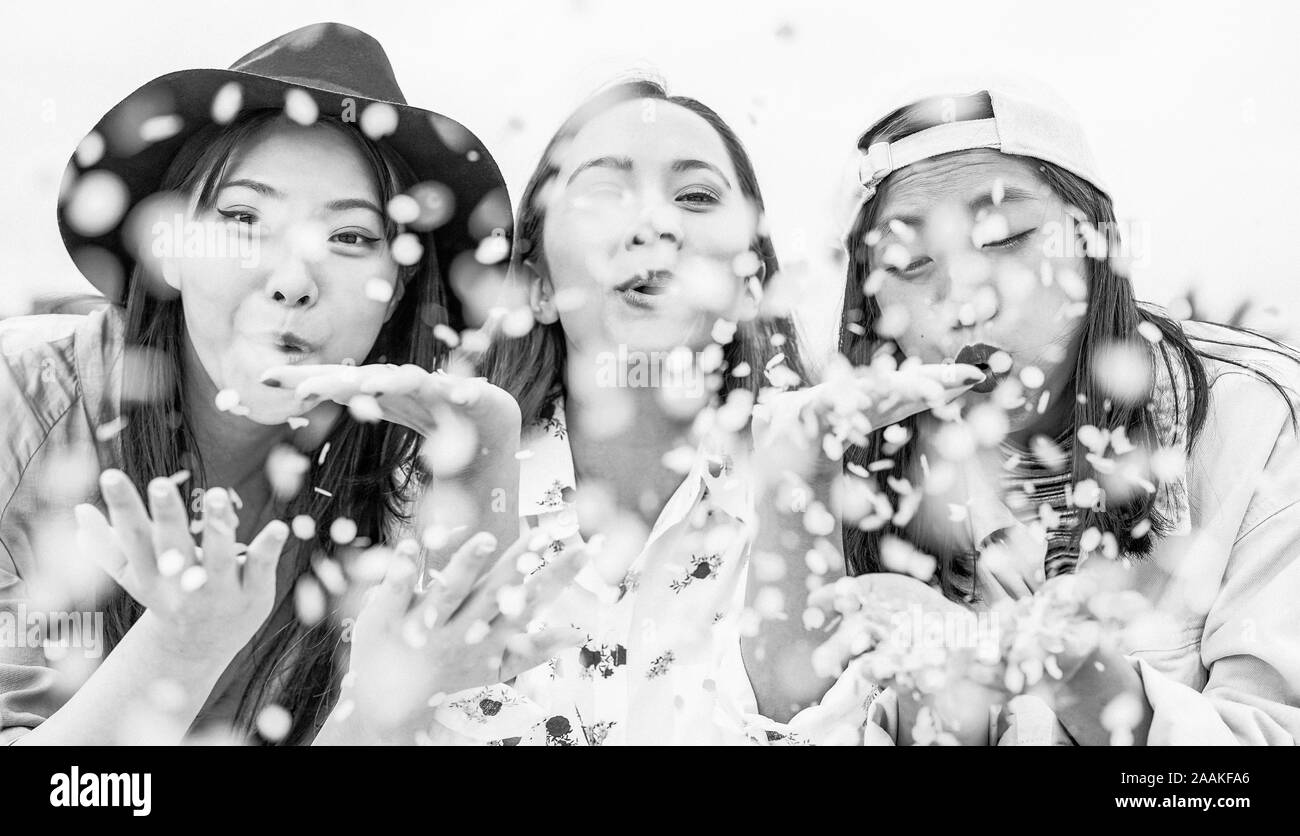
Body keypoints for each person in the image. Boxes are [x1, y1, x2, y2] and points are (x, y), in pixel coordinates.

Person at [0, 22, 567, 746]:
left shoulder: (399, 471)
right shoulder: (20, 402)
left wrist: (488, 451)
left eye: (352, 238)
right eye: (243, 218)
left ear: (395, 290)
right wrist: (181, 645)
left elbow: (472, 715)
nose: (294, 281)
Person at [802, 87, 1300, 745]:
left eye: (1005, 236)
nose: (966, 299)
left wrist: (1082, 678)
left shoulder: (1254, 422)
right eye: (910, 263)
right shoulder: (845, 474)